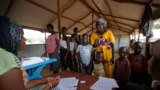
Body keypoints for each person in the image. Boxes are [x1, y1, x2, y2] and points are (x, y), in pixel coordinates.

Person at [0, 16, 60, 90]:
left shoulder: (7, 55)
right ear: (12, 37)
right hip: (50, 53)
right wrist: (50, 85)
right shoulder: (7, 59)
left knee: (55, 67)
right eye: (22, 35)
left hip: (54, 53)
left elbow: (23, 85)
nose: (25, 39)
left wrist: (43, 80)